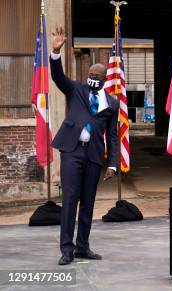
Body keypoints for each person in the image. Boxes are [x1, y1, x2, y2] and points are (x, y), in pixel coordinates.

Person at [49, 27, 119, 265]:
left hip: (93, 156)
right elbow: (58, 77)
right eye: (91, 74)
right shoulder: (76, 90)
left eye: (98, 75)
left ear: (105, 78)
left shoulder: (112, 102)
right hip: (72, 151)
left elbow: (112, 135)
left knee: (88, 202)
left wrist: (112, 164)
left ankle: (82, 247)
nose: (94, 78)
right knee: (69, 200)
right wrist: (56, 52)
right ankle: (66, 250)